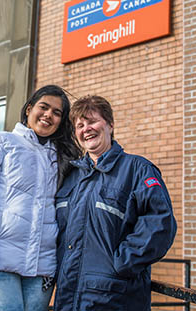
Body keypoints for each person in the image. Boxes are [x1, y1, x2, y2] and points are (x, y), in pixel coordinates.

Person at [54, 95, 177, 311]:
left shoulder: (137, 170)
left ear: (110, 125)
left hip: (115, 299)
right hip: (68, 297)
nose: (86, 129)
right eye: (80, 125)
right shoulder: (70, 177)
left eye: (92, 121)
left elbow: (160, 224)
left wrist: (120, 264)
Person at [0, 85, 80, 311]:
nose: (48, 115)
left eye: (57, 113)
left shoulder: (62, 157)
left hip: (41, 269)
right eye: (43, 107)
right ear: (28, 109)